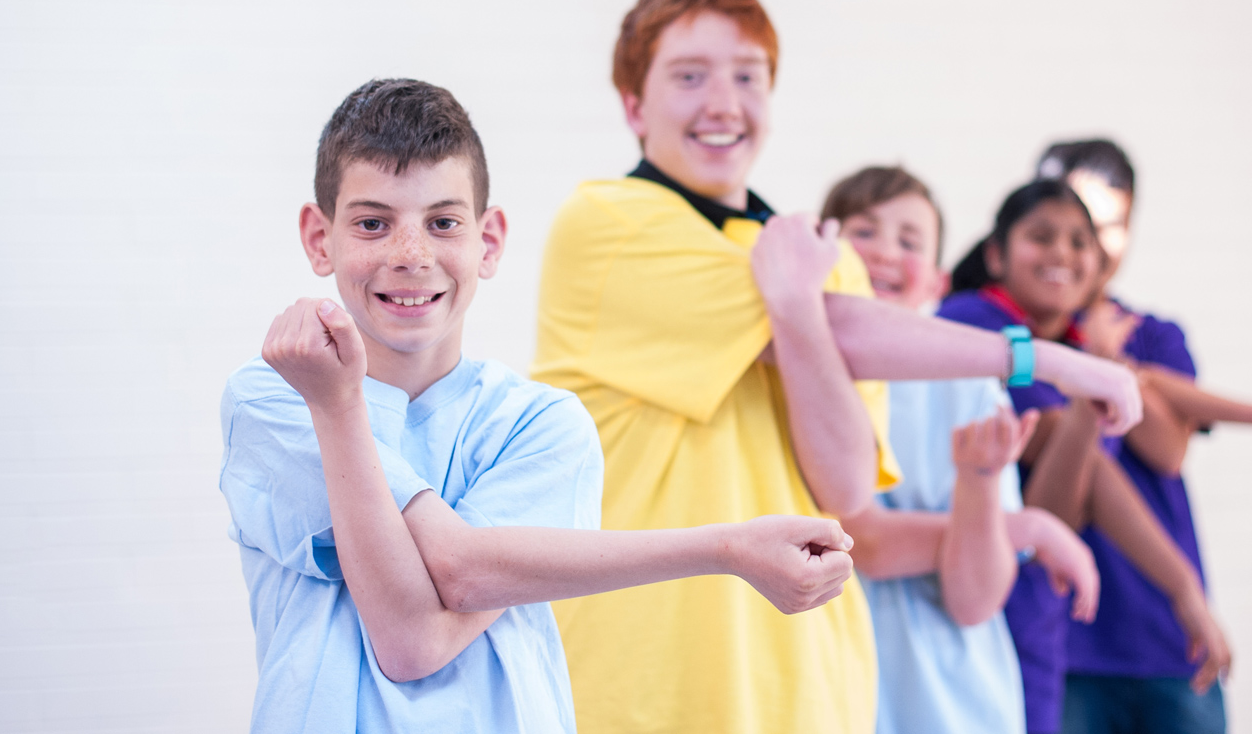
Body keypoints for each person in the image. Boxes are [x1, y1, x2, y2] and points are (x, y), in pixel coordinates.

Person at [532, 0, 1142, 734]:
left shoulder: (819, 263)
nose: (723, 101)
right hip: (640, 689)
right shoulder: (607, 223)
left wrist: (798, 306)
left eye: (747, 77)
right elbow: (842, 328)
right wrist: (1044, 359)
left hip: (808, 694)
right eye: (690, 76)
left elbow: (848, 480)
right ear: (634, 105)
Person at [218, 78, 866, 734]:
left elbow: (459, 577)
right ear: (318, 236)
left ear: (489, 240)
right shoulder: (277, 396)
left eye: (443, 222)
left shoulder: (542, 425)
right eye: (372, 223)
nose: (410, 256)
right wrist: (727, 547)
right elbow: (411, 640)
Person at [942, 179, 1230, 734]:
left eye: (1081, 240)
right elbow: (1065, 501)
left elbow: (1166, 447)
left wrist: (1104, 365)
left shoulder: (1103, 336)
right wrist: (1183, 588)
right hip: (1047, 626)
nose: (1062, 254)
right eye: (1042, 235)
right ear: (996, 254)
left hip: (1144, 636)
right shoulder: (984, 328)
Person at [822, 165, 1101, 734]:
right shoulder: (798, 376)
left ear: (938, 282)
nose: (883, 253)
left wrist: (979, 485)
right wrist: (1021, 527)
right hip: (831, 684)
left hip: (952, 702)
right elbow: (859, 543)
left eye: (909, 241)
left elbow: (973, 601)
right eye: (865, 232)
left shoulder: (968, 385)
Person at [1036, 140, 1232, 733]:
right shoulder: (1024, 342)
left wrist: (1107, 361)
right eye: (1078, 223)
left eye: (1111, 225)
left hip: (1166, 637)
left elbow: (1167, 452)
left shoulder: (1157, 333)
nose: (1091, 244)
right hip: (1069, 638)